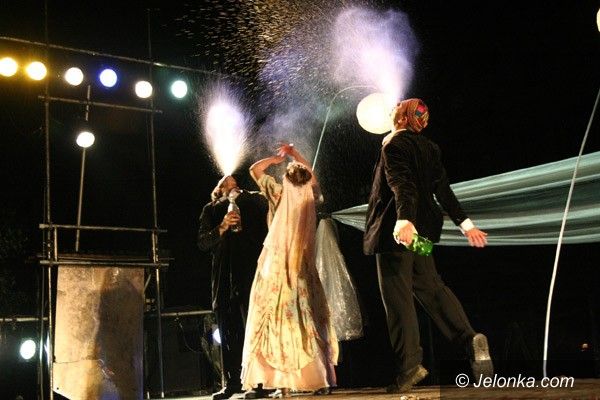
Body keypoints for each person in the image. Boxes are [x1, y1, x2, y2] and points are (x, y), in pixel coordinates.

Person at [363, 98, 493, 393]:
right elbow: (443, 190)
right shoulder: (430, 147)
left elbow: (402, 184)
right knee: (431, 287)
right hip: (423, 229)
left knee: (398, 297)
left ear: (402, 119)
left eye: (398, 106)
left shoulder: (393, 145)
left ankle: (409, 366)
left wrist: (403, 220)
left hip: (399, 232)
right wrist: (466, 225)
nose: (393, 105)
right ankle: (469, 339)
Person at [241, 145, 338, 397]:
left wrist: (277, 158)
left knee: (276, 315)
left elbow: (254, 169)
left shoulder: (278, 193)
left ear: (286, 178)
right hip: (302, 264)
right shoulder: (309, 196)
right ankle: (320, 379)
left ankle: (282, 383)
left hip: (278, 264)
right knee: (306, 316)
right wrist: (295, 155)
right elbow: (312, 176)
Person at [198, 175, 269, 400]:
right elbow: (203, 242)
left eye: (234, 183)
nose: (230, 183)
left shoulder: (253, 202)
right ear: (217, 190)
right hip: (223, 278)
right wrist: (222, 226)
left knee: (253, 326)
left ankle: (259, 382)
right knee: (228, 332)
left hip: (249, 274)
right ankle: (232, 382)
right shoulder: (210, 210)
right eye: (224, 183)